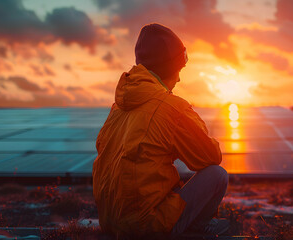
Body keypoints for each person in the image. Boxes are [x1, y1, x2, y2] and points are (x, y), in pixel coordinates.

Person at [92, 23, 229, 239]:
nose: (180, 79)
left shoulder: (118, 107)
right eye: (179, 70)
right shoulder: (171, 108)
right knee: (217, 175)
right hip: (146, 226)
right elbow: (210, 157)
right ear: (168, 68)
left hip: (111, 221)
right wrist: (191, 121)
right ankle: (194, 230)